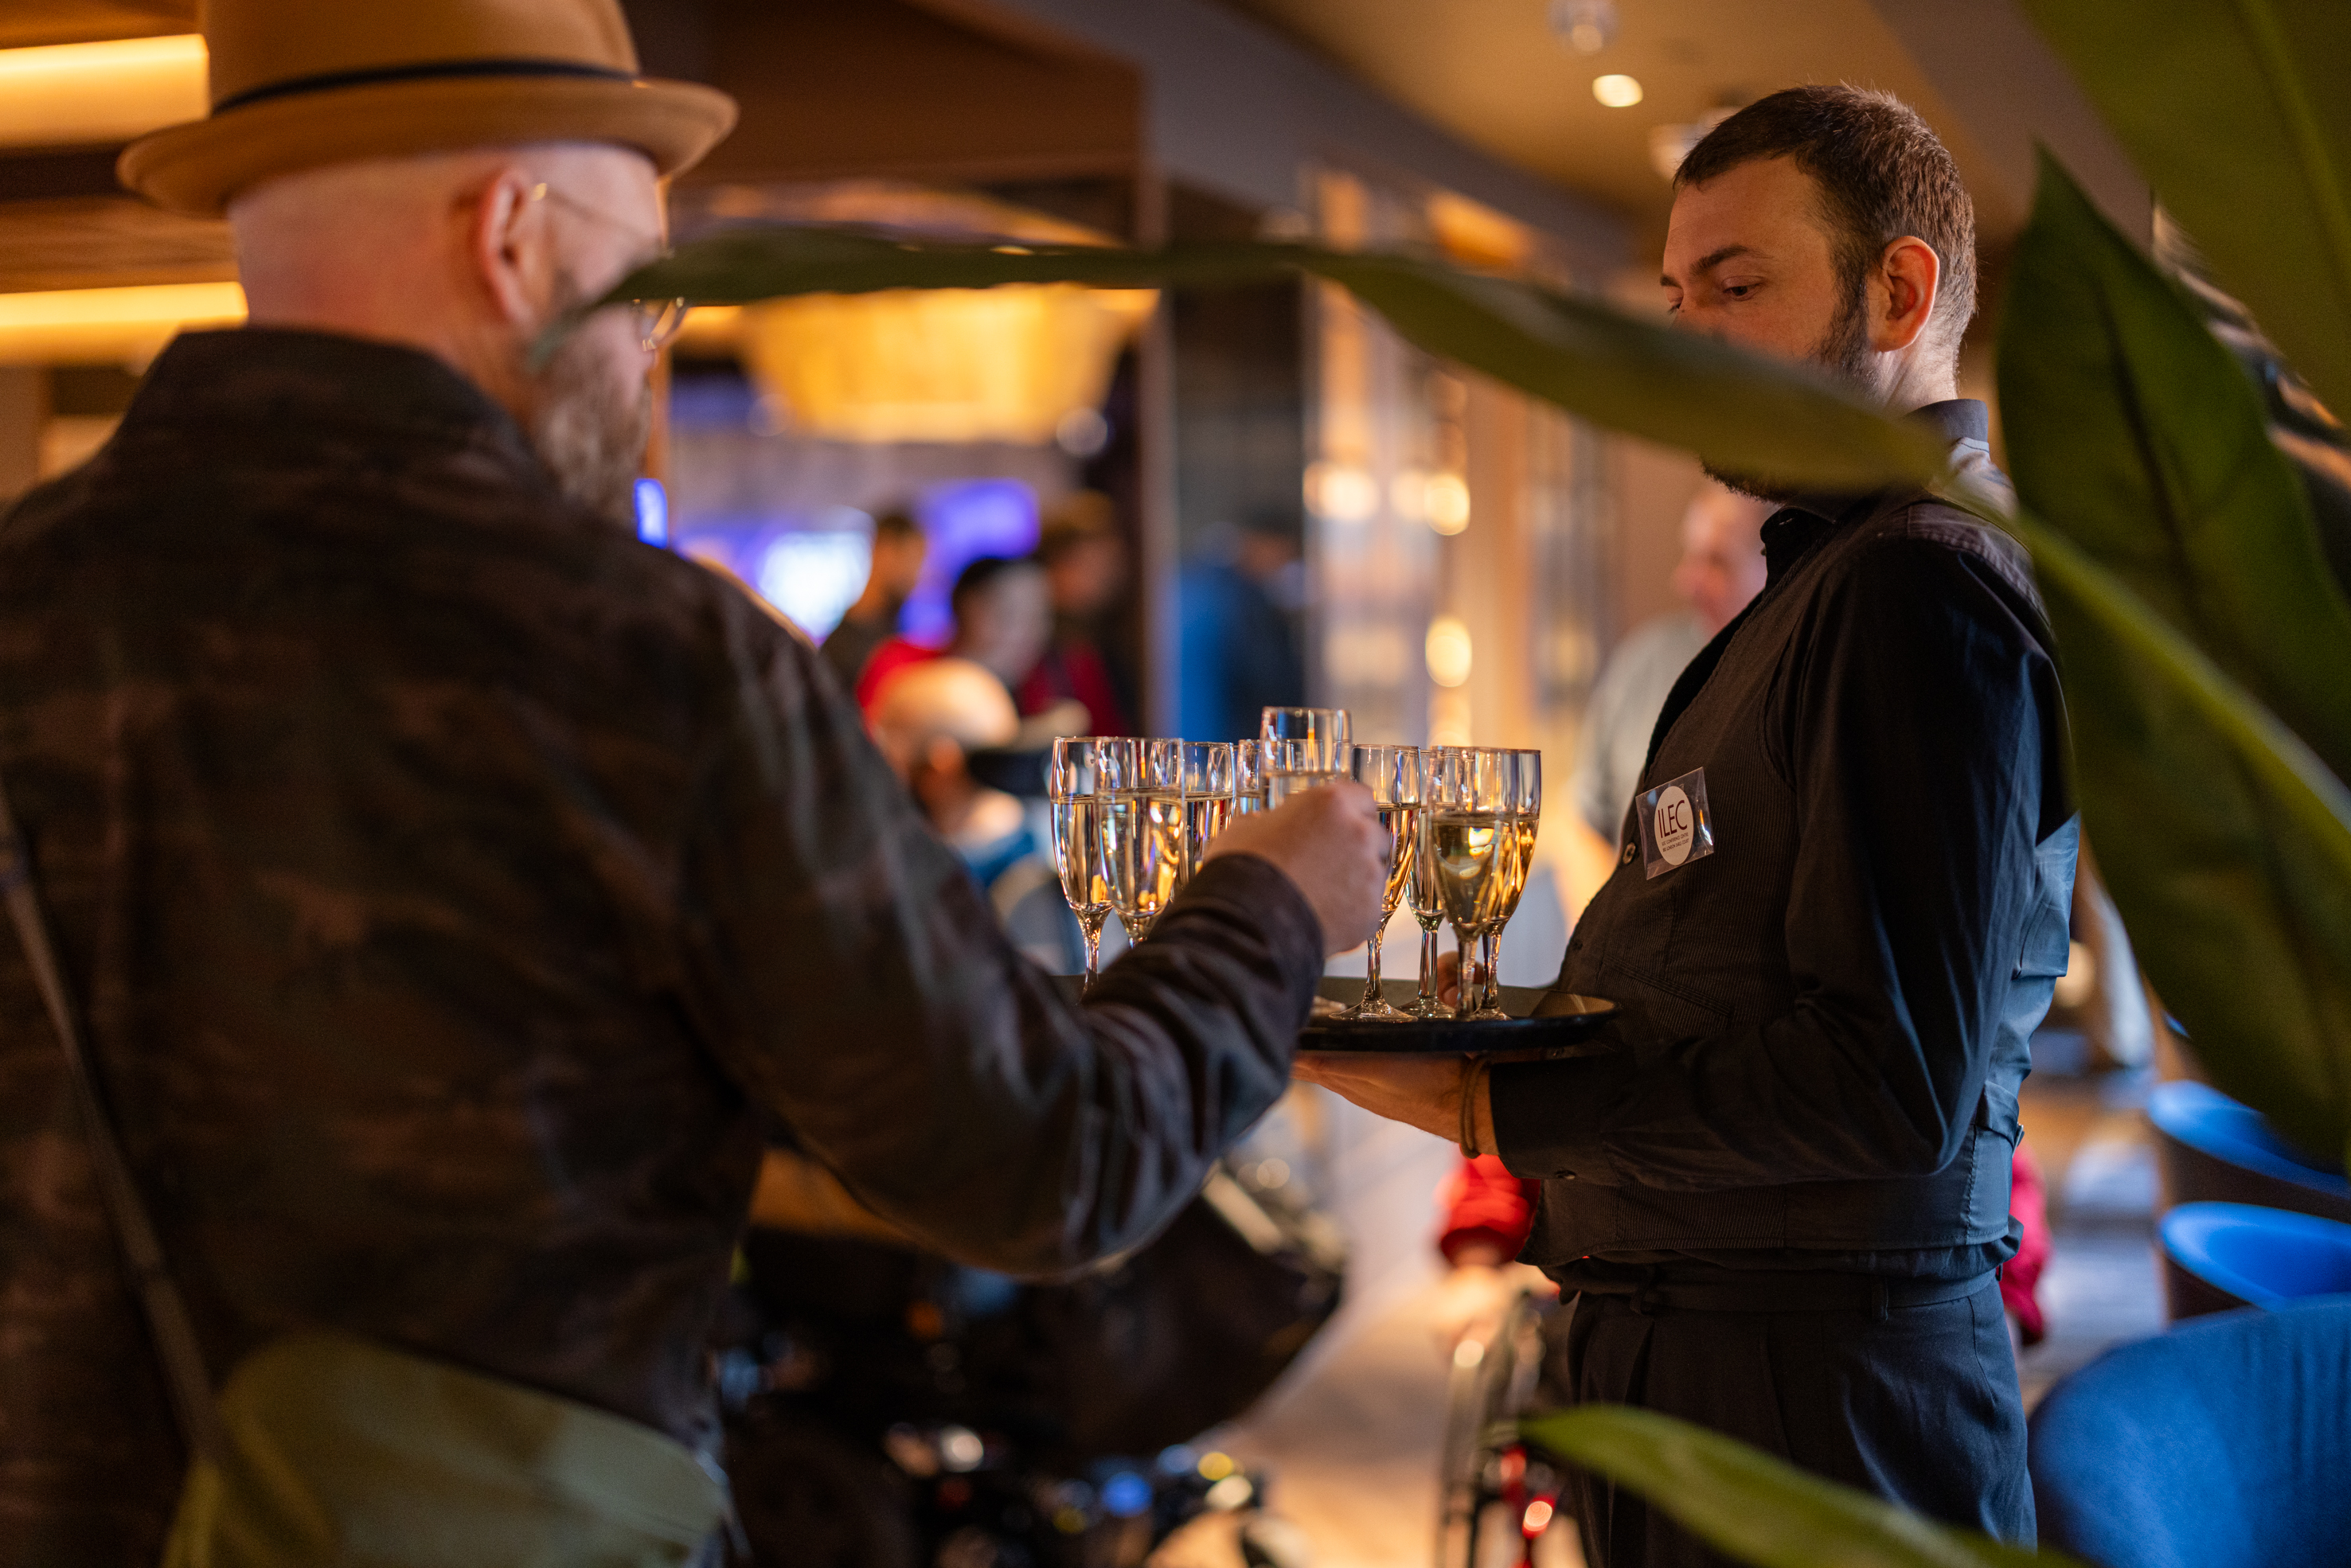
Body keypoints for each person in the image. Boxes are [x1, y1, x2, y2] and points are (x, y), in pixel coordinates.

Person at [0, 2, 1388, 1560]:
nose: (649, 351)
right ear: (514, 238)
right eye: (647, 289)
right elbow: (1046, 1160)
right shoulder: (643, 658)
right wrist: (1269, 901)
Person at [1300, 84, 2076, 1564]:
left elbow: (1884, 1080)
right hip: (1729, 1360)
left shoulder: (1916, 583)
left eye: (1736, 286)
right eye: (1674, 296)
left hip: (1812, 1387)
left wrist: (1487, 1108)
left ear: (1897, 292)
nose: (1685, 338)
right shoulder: (1835, 575)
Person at [1563, 483, 1770, 912]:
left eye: (1717, 562)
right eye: (1691, 556)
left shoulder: (1796, 679)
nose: (1687, 581)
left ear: (1776, 565)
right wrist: (1603, 927)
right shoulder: (1644, 664)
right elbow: (1583, 820)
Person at [855, 554, 1058, 717]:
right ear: (965, 608)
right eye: (1009, 614)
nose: (1028, 633)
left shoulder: (1042, 693)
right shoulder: (901, 668)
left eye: (1039, 617)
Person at [1177, 514, 1308, 743]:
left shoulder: (1202, 582)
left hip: (1200, 732)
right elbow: (1267, 676)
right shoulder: (1237, 597)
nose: (1282, 565)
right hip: (1230, 735)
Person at [1019, 491, 1135, 736]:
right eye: (1088, 563)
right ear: (1052, 564)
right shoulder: (1027, 647)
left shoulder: (1105, 643)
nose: (1105, 577)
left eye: (1110, 564)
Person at [820, 506, 926, 696]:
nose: (916, 576)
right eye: (912, 559)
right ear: (883, 550)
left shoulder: (894, 630)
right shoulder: (843, 645)